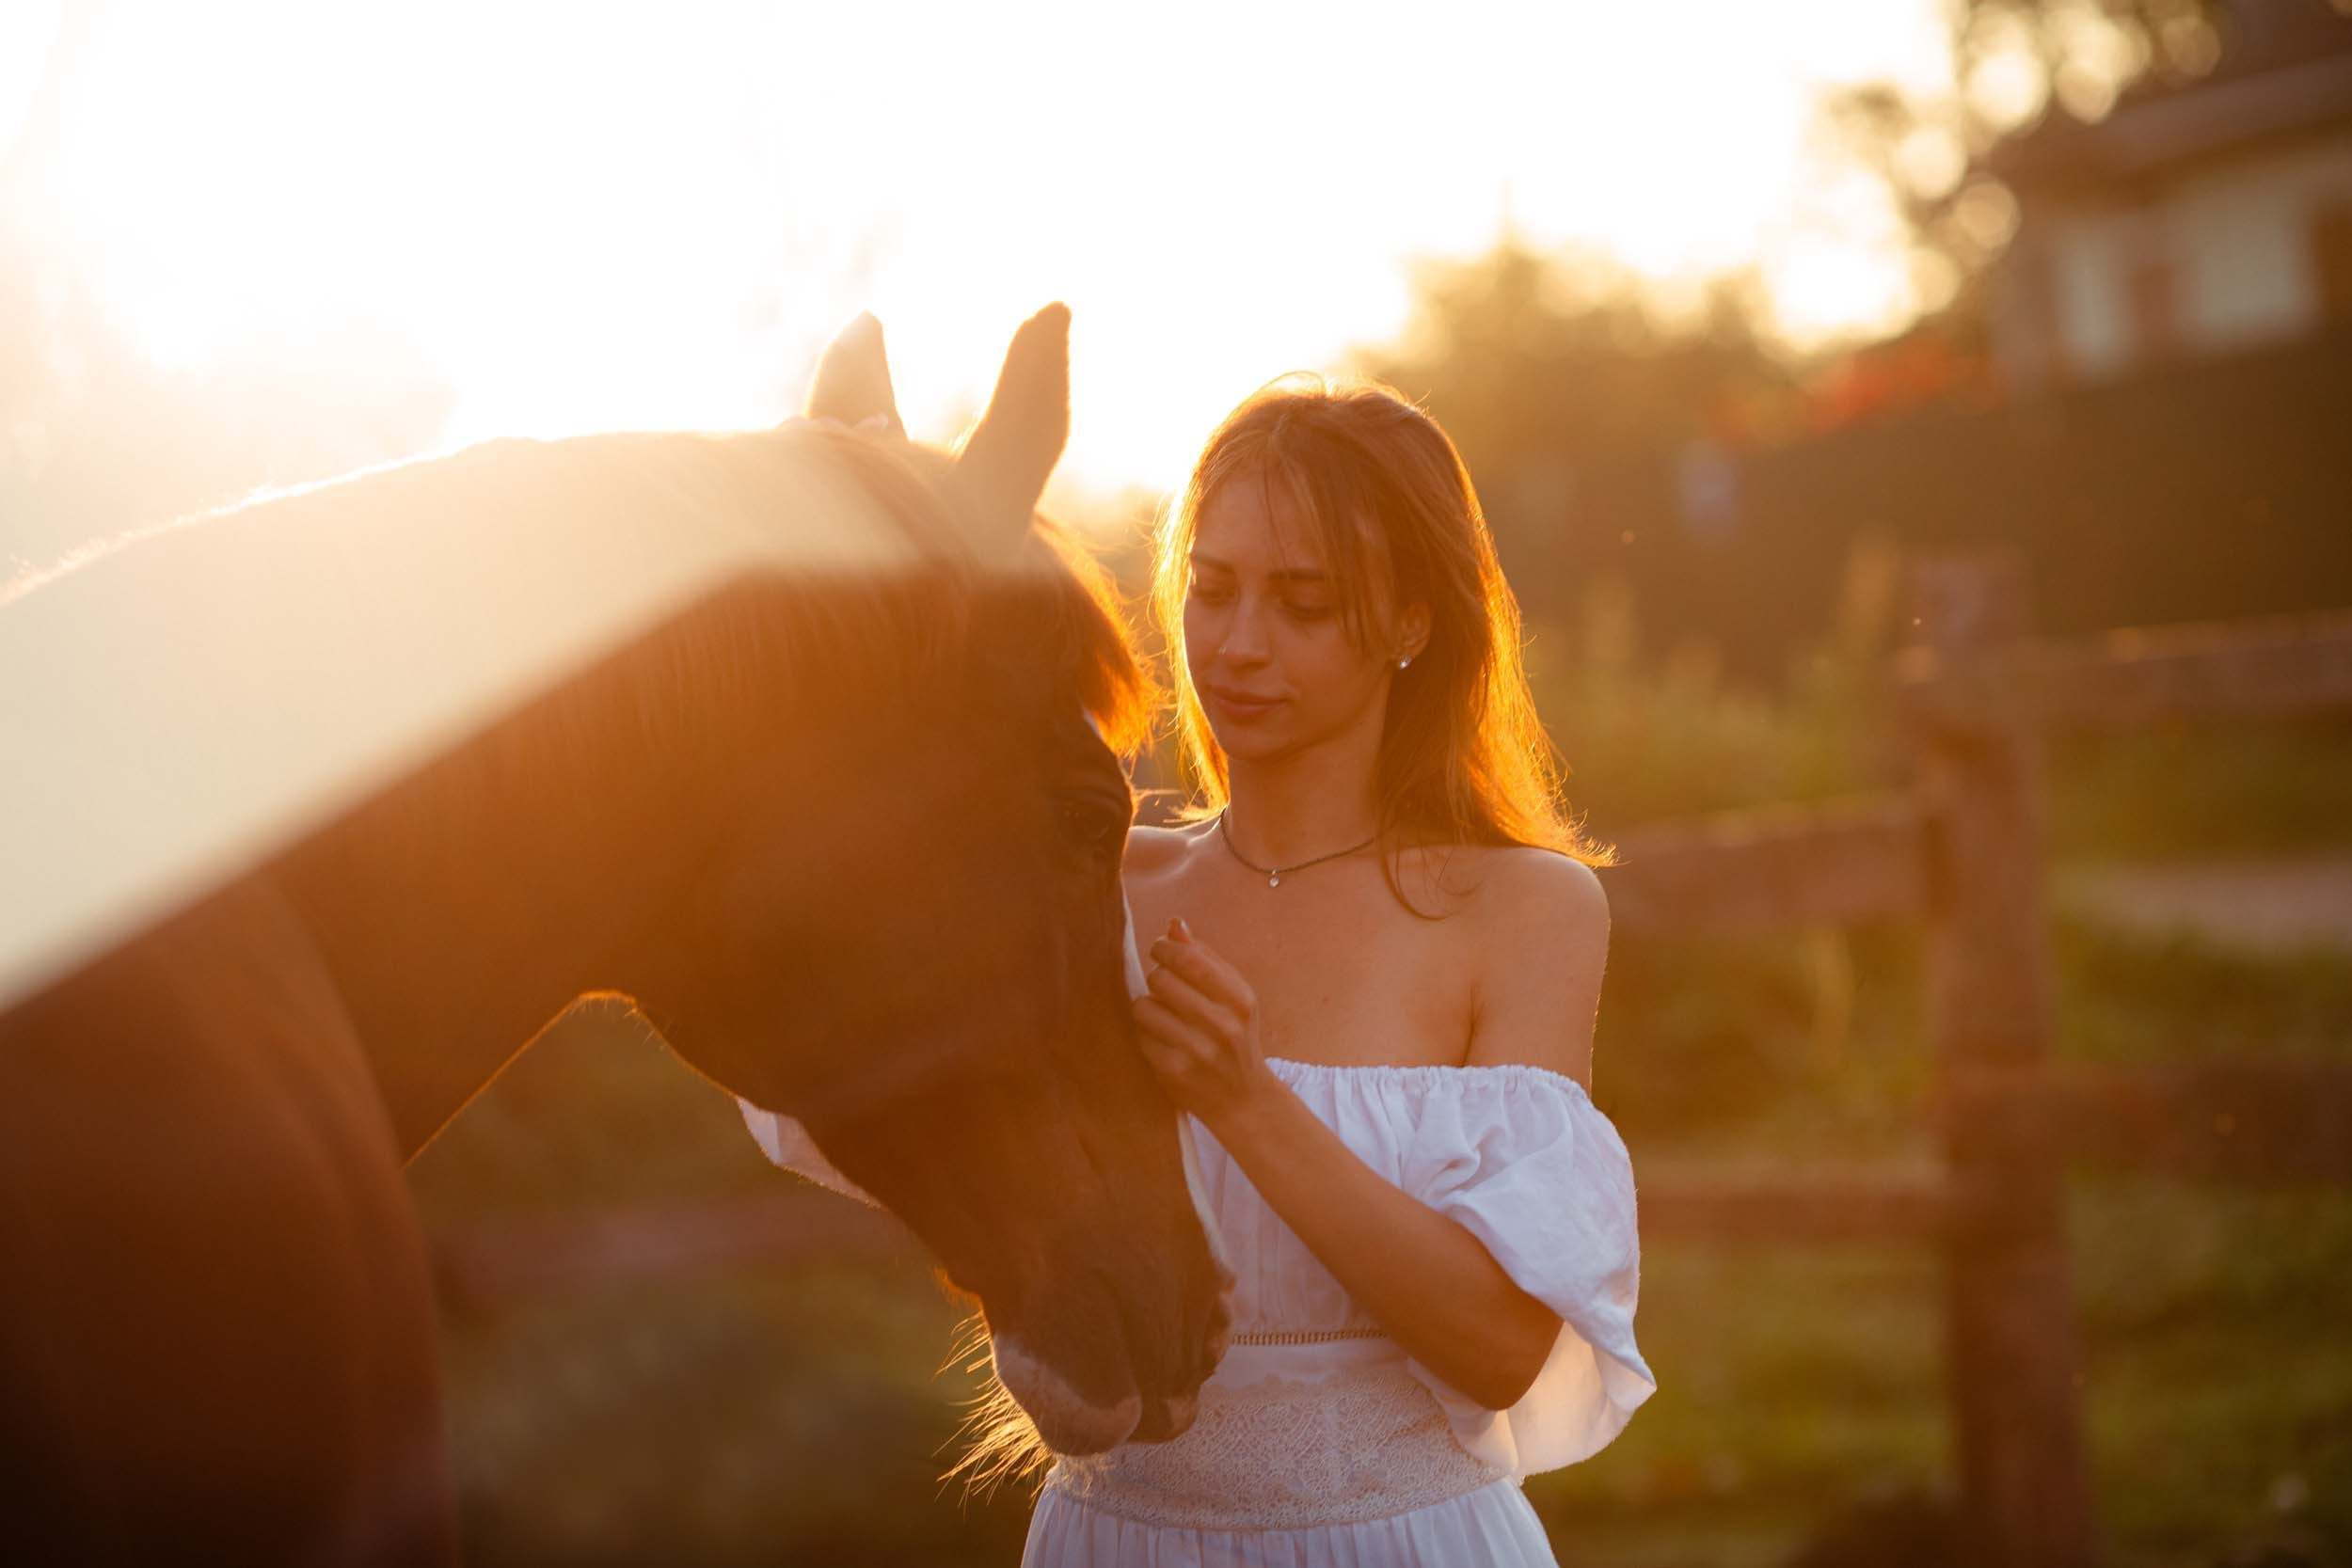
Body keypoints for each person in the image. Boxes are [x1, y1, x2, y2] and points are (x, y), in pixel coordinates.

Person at [744, 372, 1654, 1566]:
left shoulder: (1522, 908)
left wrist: (1245, 1098)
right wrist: (872, 554)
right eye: (1212, 590)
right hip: (1112, 1537)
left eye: (1303, 603)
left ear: (1411, 623)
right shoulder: (1095, 894)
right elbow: (840, 1053)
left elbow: (1498, 1347)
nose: (1236, 645)